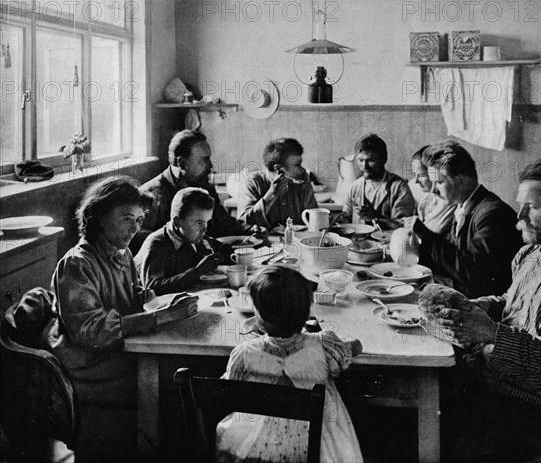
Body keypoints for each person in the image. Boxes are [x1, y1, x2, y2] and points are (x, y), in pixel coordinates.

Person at [438, 159, 541, 462]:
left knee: (448, 432)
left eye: (532, 208)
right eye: (520, 206)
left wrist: (492, 333)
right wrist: (482, 305)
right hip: (504, 383)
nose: (519, 218)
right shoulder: (530, 253)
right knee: (434, 397)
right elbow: (513, 302)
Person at [51, 177, 198, 463]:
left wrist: (158, 300)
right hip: (89, 365)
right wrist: (160, 316)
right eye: (126, 219)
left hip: (120, 349)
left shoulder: (123, 253)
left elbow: (131, 294)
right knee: (173, 380)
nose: (135, 228)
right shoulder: (77, 263)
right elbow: (91, 332)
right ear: (99, 218)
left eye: (140, 219)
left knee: (181, 372)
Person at [216, 266, 364, 463]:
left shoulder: (243, 353)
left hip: (255, 450)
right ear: (306, 314)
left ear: (260, 317)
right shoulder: (323, 345)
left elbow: (227, 393)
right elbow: (356, 345)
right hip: (314, 449)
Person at [404, 140, 522, 298]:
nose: (433, 191)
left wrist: (425, 235)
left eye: (439, 183)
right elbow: (455, 258)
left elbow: (473, 272)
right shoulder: (463, 206)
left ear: (459, 181)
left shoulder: (492, 213)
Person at [138, 130, 254, 248]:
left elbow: (221, 222)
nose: (210, 166)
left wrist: (249, 229)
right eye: (204, 160)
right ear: (182, 163)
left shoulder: (204, 186)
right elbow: (141, 241)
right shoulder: (151, 195)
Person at [135, 187, 229, 295]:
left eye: (207, 222)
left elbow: (221, 248)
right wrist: (197, 272)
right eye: (199, 223)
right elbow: (152, 287)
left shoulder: (191, 235)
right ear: (177, 222)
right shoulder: (156, 244)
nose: (205, 229)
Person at [237, 138, 318, 230]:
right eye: (297, 165)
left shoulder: (303, 178)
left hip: (298, 240)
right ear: (278, 169)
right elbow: (243, 223)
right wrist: (272, 194)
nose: (301, 169)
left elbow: (314, 214)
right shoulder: (252, 182)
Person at [343, 133, 415, 230]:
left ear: (383, 160)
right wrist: (336, 220)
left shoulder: (399, 187)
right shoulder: (355, 186)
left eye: (370, 160)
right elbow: (346, 219)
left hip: (389, 243)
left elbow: (404, 228)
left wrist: (376, 216)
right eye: (360, 160)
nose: (364, 166)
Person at [406, 145, 456, 235]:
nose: (416, 181)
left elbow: (430, 231)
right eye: (415, 175)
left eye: (420, 175)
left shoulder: (448, 200)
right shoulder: (426, 194)